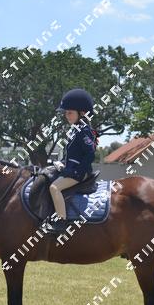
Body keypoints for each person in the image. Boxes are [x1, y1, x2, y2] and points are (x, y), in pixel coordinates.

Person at [48, 88, 98, 233]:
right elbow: (72, 156)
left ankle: (61, 222)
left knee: (54, 188)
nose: (66, 116)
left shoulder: (84, 131)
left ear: (81, 113)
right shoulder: (75, 131)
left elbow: (90, 154)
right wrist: (62, 164)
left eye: (70, 112)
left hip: (79, 173)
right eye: (66, 113)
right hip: (71, 170)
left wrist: (77, 172)